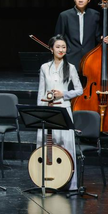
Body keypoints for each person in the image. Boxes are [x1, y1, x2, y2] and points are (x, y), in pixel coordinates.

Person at [36, 35, 83, 191]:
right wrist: (40, 111)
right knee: (46, 146)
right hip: (47, 109)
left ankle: (69, 182)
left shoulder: (71, 68)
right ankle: (46, 180)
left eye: (63, 47)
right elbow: (41, 92)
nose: (61, 49)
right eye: (58, 47)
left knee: (66, 145)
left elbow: (79, 90)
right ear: (51, 49)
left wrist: (64, 94)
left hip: (63, 109)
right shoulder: (44, 67)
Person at [55, 0, 108, 71]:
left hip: (89, 58)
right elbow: (58, 37)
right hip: (70, 58)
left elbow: (97, 36)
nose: (81, 0)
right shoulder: (64, 15)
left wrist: (103, 38)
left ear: (89, 0)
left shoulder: (95, 15)